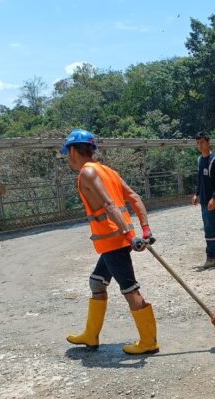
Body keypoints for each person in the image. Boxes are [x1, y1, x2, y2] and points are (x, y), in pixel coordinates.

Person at [62, 129, 159, 355]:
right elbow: (134, 197)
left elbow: (109, 204)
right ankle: (91, 335)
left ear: (74, 150)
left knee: (130, 290)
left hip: (114, 242)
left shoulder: (87, 172)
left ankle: (149, 342)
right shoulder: (108, 171)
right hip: (114, 241)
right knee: (97, 283)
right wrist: (144, 229)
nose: (67, 157)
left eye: (67, 152)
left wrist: (128, 235)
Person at [191, 131, 215, 269]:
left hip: (212, 201)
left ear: (208, 142)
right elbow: (200, 179)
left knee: (209, 229)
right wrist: (196, 194)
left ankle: (211, 258)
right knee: (211, 228)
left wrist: (214, 198)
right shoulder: (200, 160)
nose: (200, 145)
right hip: (204, 200)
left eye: (202, 142)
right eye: (198, 143)